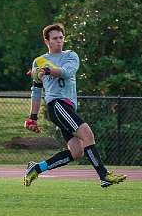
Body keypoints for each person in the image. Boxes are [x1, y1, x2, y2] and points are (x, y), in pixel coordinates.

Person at [23, 23, 126, 188]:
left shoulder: (71, 56)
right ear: (46, 41)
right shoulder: (39, 61)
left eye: (61, 38)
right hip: (56, 105)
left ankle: (36, 168)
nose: (59, 41)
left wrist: (47, 70)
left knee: (77, 152)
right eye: (55, 38)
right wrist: (32, 118)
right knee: (88, 135)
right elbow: (36, 92)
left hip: (67, 108)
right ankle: (104, 175)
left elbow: (66, 72)